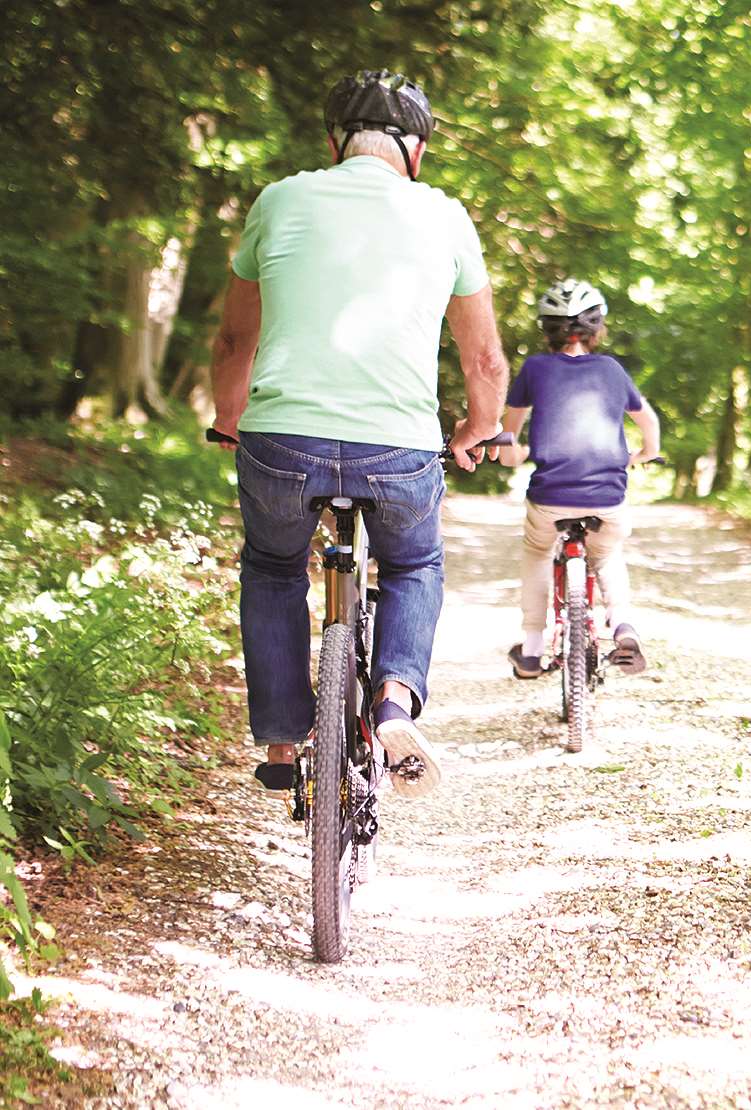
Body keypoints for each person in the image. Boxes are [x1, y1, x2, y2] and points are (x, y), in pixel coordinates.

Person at [210, 69, 510, 800]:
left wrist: (228, 421)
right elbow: (485, 359)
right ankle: (395, 702)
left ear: (335, 141)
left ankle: (282, 741)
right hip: (398, 447)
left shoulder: (279, 200)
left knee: (275, 568)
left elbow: (232, 339)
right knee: (412, 566)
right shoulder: (445, 215)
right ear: (416, 150)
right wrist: (481, 427)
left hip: (281, 439)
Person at [497, 279, 661, 683]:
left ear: (547, 329)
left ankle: (533, 649)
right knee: (606, 554)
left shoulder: (534, 368)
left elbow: (509, 434)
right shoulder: (611, 369)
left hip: (551, 496)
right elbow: (648, 422)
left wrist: (510, 455)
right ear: (596, 329)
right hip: (607, 495)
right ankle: (623, 626)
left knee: (537, 552)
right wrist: (645, 454)